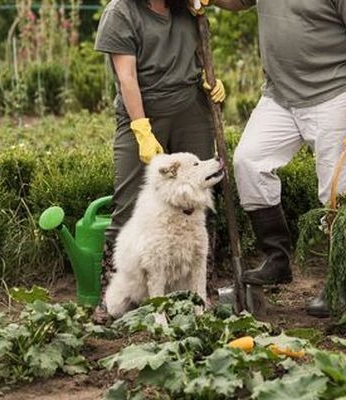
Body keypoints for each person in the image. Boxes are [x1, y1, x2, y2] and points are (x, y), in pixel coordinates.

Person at [205, 0, 346, 317]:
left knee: (338, 192)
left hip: (336, 93)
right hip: (280, 94)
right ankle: (277, 259)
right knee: (249, 161)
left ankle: (344, 280)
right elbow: (239, 2)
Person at [93, 0, 226, 320]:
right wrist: (141, 127)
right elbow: (127, 79)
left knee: (199, 201)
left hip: (190, 110)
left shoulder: (188, 7)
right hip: (141, 110)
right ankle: (111, 298)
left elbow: (240, 5)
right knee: (127, 204)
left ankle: (201, 293)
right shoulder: (120, 13)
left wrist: (208, 82)